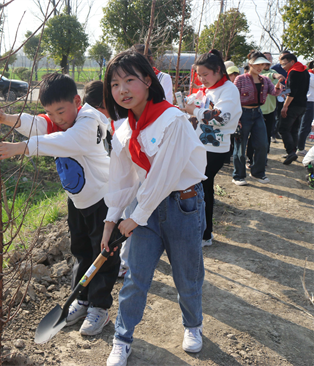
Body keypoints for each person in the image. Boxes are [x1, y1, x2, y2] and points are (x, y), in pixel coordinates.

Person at [0, 73, 121, 337]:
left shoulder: (88, 120)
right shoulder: (60, 121)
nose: (57, 118)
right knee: (81, 251)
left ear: (76, 100)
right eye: (51, 112)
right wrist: (5, 118)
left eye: (61, 111)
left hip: (103, 202)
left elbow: (67, 142)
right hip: (78, 202)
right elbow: (37, 124)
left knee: (103, 255)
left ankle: (100, 307)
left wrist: (20, 148)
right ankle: (81, 300)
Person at [100, 50, 207, 366]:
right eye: (116, 83)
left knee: (187, 275)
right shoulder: (122, 131)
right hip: (143, 208)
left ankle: (193, 325)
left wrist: (134, 217)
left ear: (148, 80)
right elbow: (122, 181)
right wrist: (110, 222)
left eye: (130, 80)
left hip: (181, 203)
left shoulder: (172, 119)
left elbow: (163, 177)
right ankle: (122, 338)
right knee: (135, 277)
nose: (123, 90)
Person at [183, 49, 241, 246]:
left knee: (202, 189)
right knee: (203, 188)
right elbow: (201, 111)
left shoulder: (229, 90)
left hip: (215, 149)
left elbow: (221, 119)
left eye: (205, 74)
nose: (202, 78)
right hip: (203, 146)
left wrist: (195, 111)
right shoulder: (210, 89)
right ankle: (204, 232)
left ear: (218, 70)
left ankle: (205, 234)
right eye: (199, 75)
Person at [82, 80, 131, 278]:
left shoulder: (116, 122)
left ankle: (121, 263)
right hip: (110, 187)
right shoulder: (91, 124)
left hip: (120, 185)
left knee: (124, 222)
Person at [233, 51, 282, 185]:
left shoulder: (265, 79)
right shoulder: (240, 79)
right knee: (240, 146)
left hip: (258, 113)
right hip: (243, 113)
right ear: (250, 64)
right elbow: (234, 99)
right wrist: (236, 119)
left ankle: (258, 172)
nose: (260, 67)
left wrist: (278, 86)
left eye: (262, 64)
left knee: (262, 144)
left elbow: (274, 92)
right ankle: (238, 175)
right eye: (257, 64)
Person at [278, 52, 310, 165]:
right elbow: (295, 88)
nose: (283, 67)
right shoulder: (304, 71)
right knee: (294, 129)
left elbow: (292, 92)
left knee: (283, 128)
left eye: (284, 64)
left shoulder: (293, 72)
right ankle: (293, 151)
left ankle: (291, 152)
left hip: (293, 105)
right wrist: (284, 91)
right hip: (302, 105)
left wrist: (285, 106)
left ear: (292, 62)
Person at [271, 51, 291, 141]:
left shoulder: (291, 69)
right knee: (274, 114)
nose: (283, 60)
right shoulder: (274, 69)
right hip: (275, 94)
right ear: (279, 58)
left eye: (286, 58)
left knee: (281, 115)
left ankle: (277, 131)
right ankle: (272, 133)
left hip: (287, 95)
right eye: (282, 58)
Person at [296, 60, 314, 156]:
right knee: (304, 126)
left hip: (311, 102)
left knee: (306, 127)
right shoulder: (310, 75)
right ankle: (300, 148)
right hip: (309, 103)